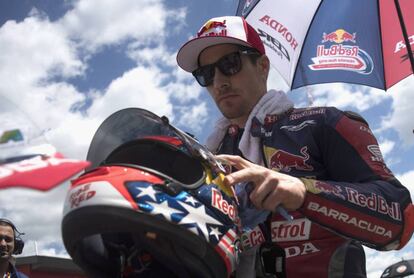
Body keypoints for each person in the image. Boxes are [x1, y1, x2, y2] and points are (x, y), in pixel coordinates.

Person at [176, 16, 414, 277]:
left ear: (263, 66)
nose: (219, 81)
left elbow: (399, 221)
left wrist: (304, 192)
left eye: (230, 64)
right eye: (206, 74)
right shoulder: (209, 158)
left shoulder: (324, 123)